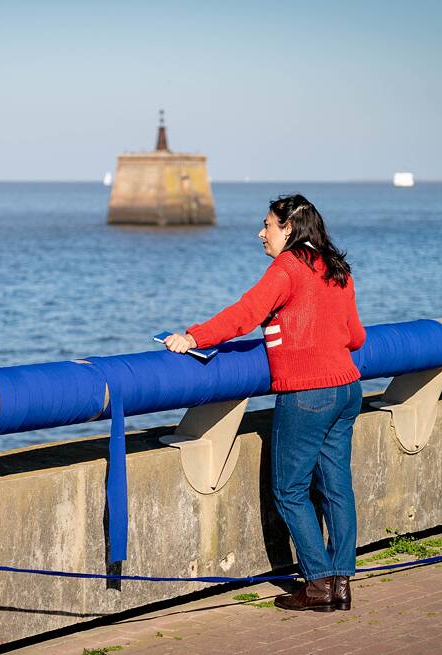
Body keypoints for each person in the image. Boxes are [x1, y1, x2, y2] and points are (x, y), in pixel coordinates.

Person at [163, 194, 366, 612]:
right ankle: (341, 583)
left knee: (290, 490)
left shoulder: (288, 267)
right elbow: (356, 337)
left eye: (267, 225)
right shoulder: (337, 268)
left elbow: (246, 313)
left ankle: (318, 585)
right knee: (336, 488)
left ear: (288, 229)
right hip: (347, 389)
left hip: (308, 392)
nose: (261, 233)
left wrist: (194, 337)